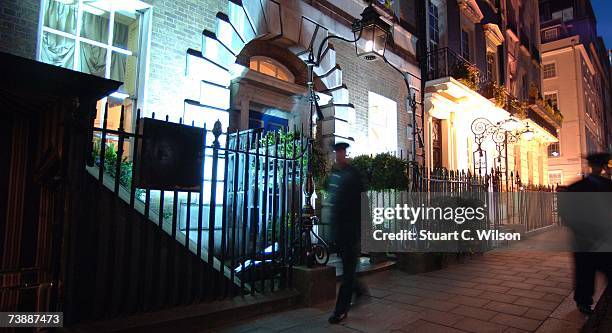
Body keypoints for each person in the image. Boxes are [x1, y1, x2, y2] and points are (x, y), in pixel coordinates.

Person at [559, 152, 612, 315]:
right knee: (589, 271)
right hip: (598, 238)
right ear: (603, 167)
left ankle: (583, 302)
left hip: (585, 238)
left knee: (585, 271)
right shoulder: (608, 186)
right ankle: (584, 301)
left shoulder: (576, 187)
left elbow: (565, 214)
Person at [327, 141, 368, 324]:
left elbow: (359, 204)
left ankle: (340, 311)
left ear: (345, 153)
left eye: (341, 152)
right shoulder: (337, 175)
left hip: (351, 231)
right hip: (341, 231)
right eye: (336, 153)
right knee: (348, 270)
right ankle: (359, 291)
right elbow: (335, 204)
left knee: (347, 273)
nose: (338, 156)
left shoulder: (352, 175)